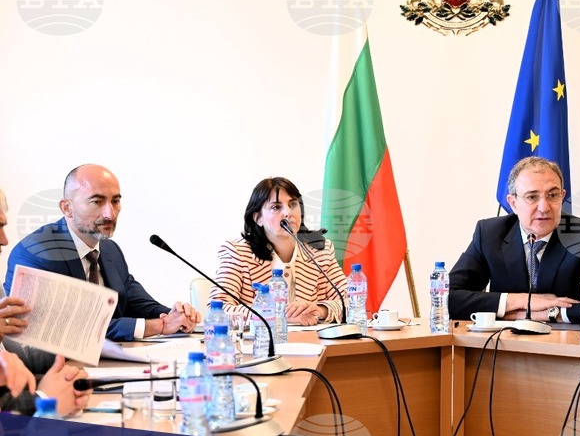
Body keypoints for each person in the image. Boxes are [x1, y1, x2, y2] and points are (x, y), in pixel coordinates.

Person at [4, 165, 199, 341]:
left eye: (115, 201)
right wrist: (159, 326)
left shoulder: (110, 250)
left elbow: (136, 301)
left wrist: (176, 317)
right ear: (67, 208)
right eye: (97, 202)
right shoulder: (36, 252)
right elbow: (70, 328)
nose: (110, 214)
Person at [449, 156, 580, 322]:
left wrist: (551, 313)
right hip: (503, 340)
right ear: (513, 203)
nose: (544, 207)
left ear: (562, 196)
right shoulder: (490, 234)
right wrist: (522, 301)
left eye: (552, 195)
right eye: (532, 197)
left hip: (564, 341)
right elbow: (447, 297)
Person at [0, 186, 91, 415]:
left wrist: (68, 378)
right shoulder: (35, 253)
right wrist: (45, 399)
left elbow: (22, 364)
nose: (4, 240)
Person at [212, 177, 347, 325]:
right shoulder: (237, 252)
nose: (288, 212)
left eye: (293, 204)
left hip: (311, 338)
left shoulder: (320, 250)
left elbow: (351, 301)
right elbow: (218, 310)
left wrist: (320, 310)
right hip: (262, 338)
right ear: (258, 218)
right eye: (276, 207)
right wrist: (277, 316)